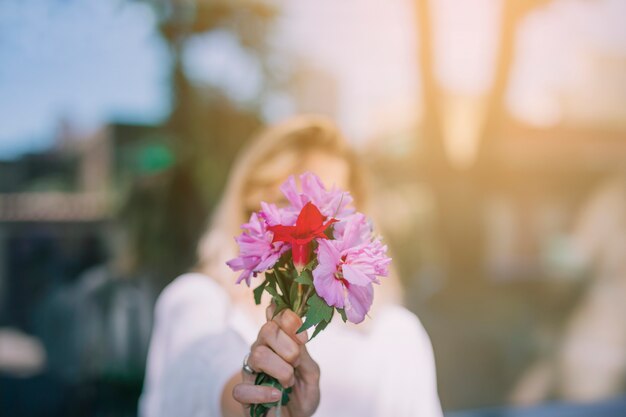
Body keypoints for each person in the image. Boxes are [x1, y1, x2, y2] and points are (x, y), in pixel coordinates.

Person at [139, 115, 444, 417]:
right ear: (249, 206)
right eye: (285, 204)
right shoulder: (198, 299)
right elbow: (201, 367)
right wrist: (252, 399)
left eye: (327, 212)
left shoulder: (395, 334)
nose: (306, 226)